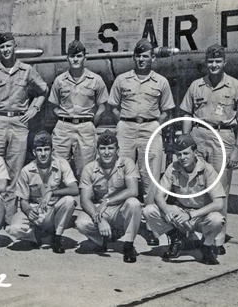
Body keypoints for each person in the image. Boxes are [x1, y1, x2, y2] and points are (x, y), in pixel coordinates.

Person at [180, 44, 238, 254]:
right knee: (191, 185)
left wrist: (237, 148)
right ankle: (190, 233)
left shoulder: (236, 86)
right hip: (198, 136)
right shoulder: (196, 86)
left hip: (224, 137)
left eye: (217, 61)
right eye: (210, 61)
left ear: (224, 63)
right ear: (206, 62)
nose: (213, 65)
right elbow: (186, 114)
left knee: (220, 188)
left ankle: (216, 240)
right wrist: (186, 141)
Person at [0, 32, 48, 220]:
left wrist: (34, 109)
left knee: (14, 170)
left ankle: (9, 216)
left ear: (15, 47)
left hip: (19, 123)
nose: (6, 50)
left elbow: (43, 90)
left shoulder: (27, 70)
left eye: (9, 46)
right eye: (2, 47)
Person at [108, 38, 175, 245]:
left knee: (150, 177)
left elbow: (167, 110)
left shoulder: (161, 82)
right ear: (133, 57)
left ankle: (148, 226)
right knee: (121, 174)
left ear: (152, 58)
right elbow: (113, 106)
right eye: (138, 56)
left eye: (145, 56)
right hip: (126, 127)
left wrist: (154, 124)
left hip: (150, 128)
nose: (141, 60)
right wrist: (123, 122)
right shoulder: (122, 80)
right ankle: (121, 222)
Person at [143, 134, 225, 265]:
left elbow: (219, 203)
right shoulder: (173, 167)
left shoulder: (207, 170)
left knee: (217, 219)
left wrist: (191, 215)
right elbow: (159, 195)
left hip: (200, 215)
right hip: (180, 212)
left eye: (186, 153)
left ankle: (207, 246)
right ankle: (176, 238)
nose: (182, 158)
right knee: (149, 210)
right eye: (179, 154)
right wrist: (167, 211)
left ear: (195, 152)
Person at [75, 130, 141, 263]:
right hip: (99, 210)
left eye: (110, 148)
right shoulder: (89, 168)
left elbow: (133, 190)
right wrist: (99, 220)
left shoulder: (127, 163)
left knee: (134, 203)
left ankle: (128, 244)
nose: (106, 152)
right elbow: (84, 200)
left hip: (119, 209)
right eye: (103, 148)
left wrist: (108, 201)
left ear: (117, 149)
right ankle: (101, 240)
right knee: (81, 223)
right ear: (97, 150)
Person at [6, 131, 78, 254]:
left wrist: (52, 192)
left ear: (52, 150)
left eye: (46, 150)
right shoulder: (27, 170)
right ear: (34, 152)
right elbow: (23, 201)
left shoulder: (61, 164)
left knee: (69, 201)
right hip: (36, 209)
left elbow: (74, 189)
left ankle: (57, 237)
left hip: (53, 210)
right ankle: (35, 237)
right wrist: (29, 211)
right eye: (39, 150)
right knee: (14, 229)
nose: (43, 154)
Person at [48, 40, 108, 177]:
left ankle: (84, 198)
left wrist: (91, 123)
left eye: (79, 56)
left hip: (85, 128)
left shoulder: (95, 80)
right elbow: (53, 106)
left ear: (85, 58)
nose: (75, 59)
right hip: (63, 128)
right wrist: (63, 119)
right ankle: (61, 197)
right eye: (72, 56)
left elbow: (102, 107)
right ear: (67, 58)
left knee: (86, 169)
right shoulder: (59, 80)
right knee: (58, 167)